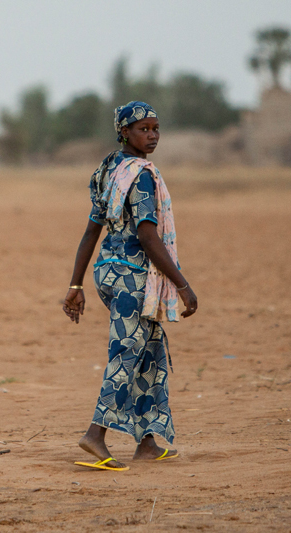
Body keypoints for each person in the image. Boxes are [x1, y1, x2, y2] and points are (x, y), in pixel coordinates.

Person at [63, 101, 198, 471]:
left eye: (156, 128)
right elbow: (148, 237)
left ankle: (148, 442)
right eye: (143, 129)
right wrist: (182, 285)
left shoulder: (110, 168)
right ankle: (95, 435)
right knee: (126, 354)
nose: (152, 135)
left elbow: (93, 229)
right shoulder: (139, 175)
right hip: (132, 278)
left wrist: (77, 283)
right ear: (124, 131)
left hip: (108, 272)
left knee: (150, 352)